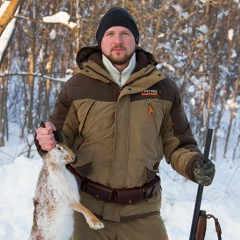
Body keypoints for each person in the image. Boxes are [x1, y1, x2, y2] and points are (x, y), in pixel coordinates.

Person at [35, 7, 215, 240]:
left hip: (142, 212)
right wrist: (48, 140)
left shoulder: (163, 89)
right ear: (101, 41)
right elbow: (60, 136)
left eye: (125, 34)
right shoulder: (78, 86)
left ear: (135, 40)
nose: (117, 40)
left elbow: (178, 144)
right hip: (86, 208)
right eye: (110, 34)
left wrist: (194, 164)